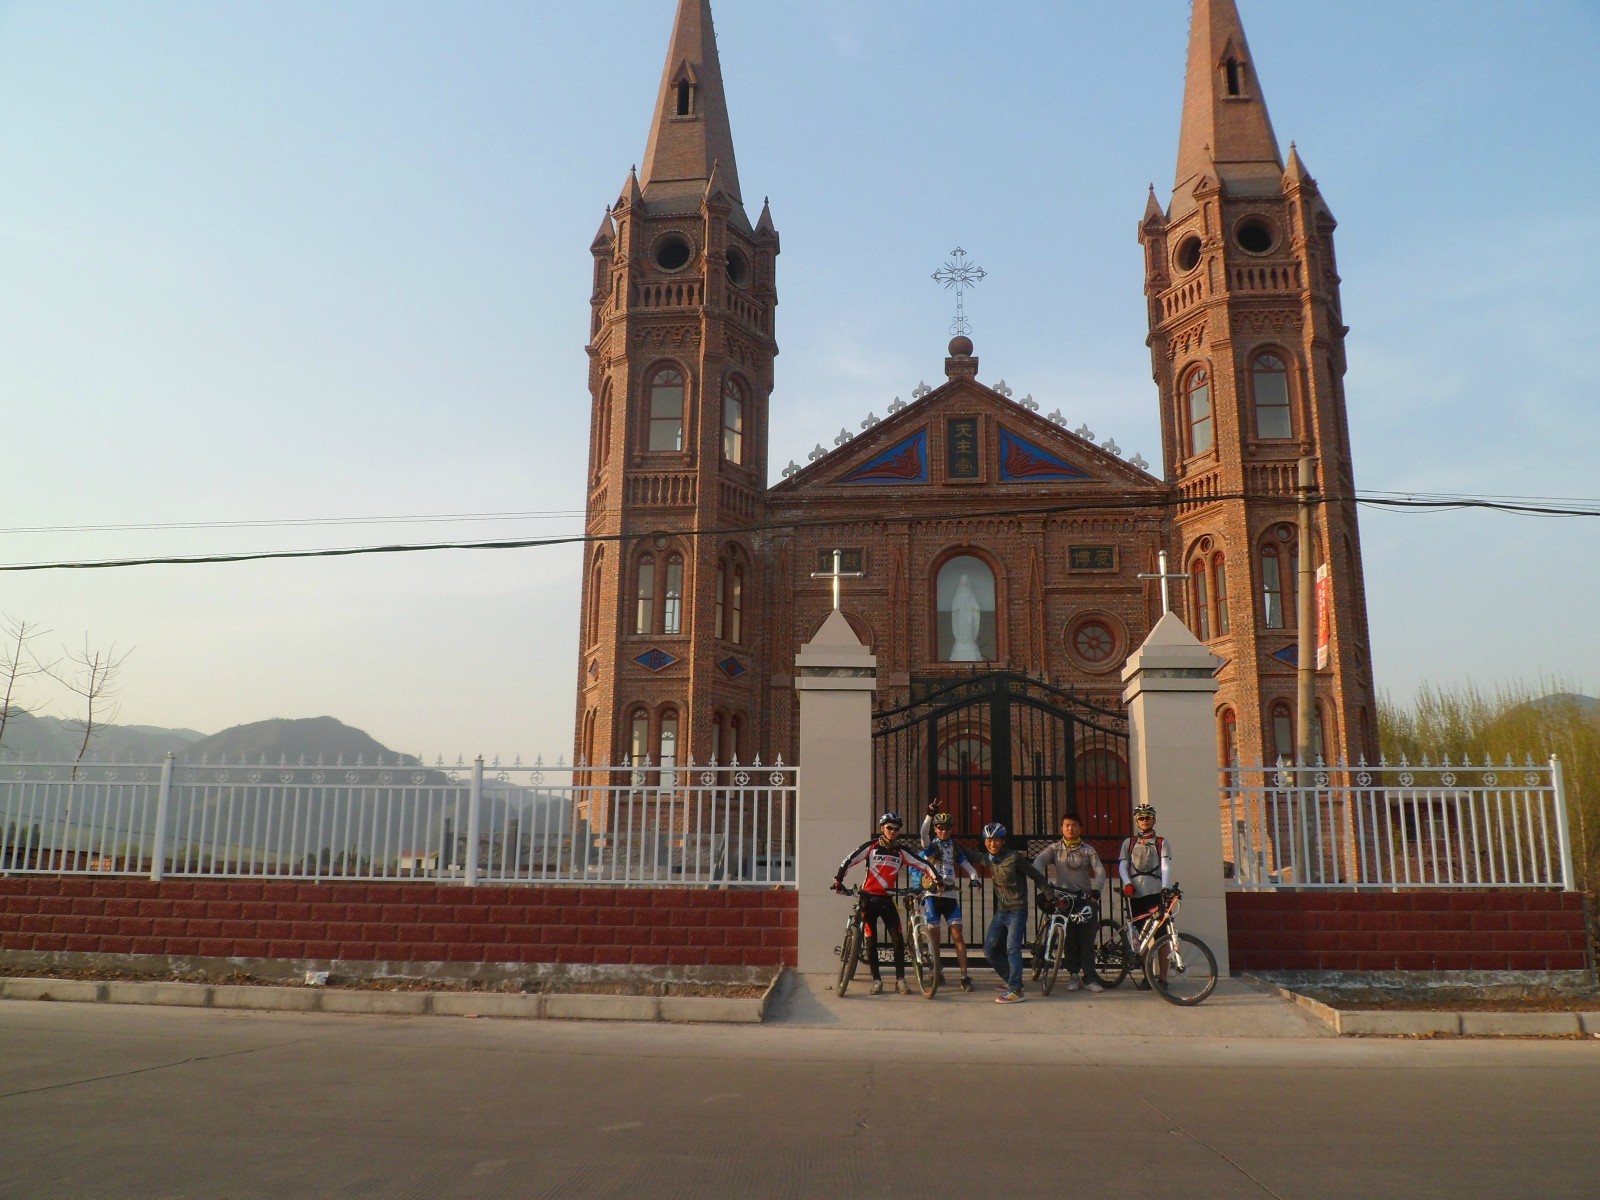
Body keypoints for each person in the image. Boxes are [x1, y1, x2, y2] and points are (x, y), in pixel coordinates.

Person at [832, 812, 937, 995]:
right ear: (882, 828)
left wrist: (938, 879)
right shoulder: (871, 847)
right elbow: (849, 860)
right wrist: (839, 880)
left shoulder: (901, 852)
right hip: (869, 899)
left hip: (887, 900)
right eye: (889, 828)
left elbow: (923, 864)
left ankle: (900, 980)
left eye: (896, 829)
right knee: (871, 940)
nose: (893, 831)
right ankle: (877, 980)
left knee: (897, 940)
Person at [1031, 812, 1108, 992]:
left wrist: (1096, 889)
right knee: (1070, 939)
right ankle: (1073, 975)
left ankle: (1089, 977)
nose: (1070, 828)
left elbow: (1100, 871)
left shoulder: (1088, 850)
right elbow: (1038, 861)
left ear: (1080, 828)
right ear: (1061, 828)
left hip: (1084, 899)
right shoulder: (1055, 849)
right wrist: (1040, 882)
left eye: (1074, 825)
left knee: (1087, 939)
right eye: (1066, 825)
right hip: (1063, 899)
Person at [976, 821, 1047, 1004]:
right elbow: (972, 856)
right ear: (985, 842)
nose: (993, 844)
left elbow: (1035, 875)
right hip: (1002, 911)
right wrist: (950, 845)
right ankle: (1012, 980)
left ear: (1003, 840)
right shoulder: (989, 859)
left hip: (1017, 910)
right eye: (989, 840)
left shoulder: (1014, 858)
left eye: (996, 840)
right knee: (990, 949)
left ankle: (1016, 990)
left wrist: (1049, 894)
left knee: (1012, 948)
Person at [918, 807, 981, 992]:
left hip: (950, 896)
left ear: (951, 829)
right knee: (934, 938)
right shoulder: (931, 846)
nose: (944, 831)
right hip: (933, 895)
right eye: (940, 828)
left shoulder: (955, 847)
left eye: (947, 828)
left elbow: (967, 865)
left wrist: (974, 877)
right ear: (936, 829)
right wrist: (929, 815)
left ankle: (964, 976)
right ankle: (937, 972)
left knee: (958, 936)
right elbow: (923, 833)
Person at [1118, 802, 1172, 989]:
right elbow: (1123, 865)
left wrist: (1165, 887)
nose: (1144, 820)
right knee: (1140, 937)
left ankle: (1163, 977)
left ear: (1153, 819)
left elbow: (1165, 866)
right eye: (1141, 818)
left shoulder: (1161, 842)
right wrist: (1126, 883)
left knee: (1161, 936)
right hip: (1136, 892)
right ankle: (1147, 976)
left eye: (1147, 817)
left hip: (1155, 891)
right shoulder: (1129, 842)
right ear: (1136, 821)